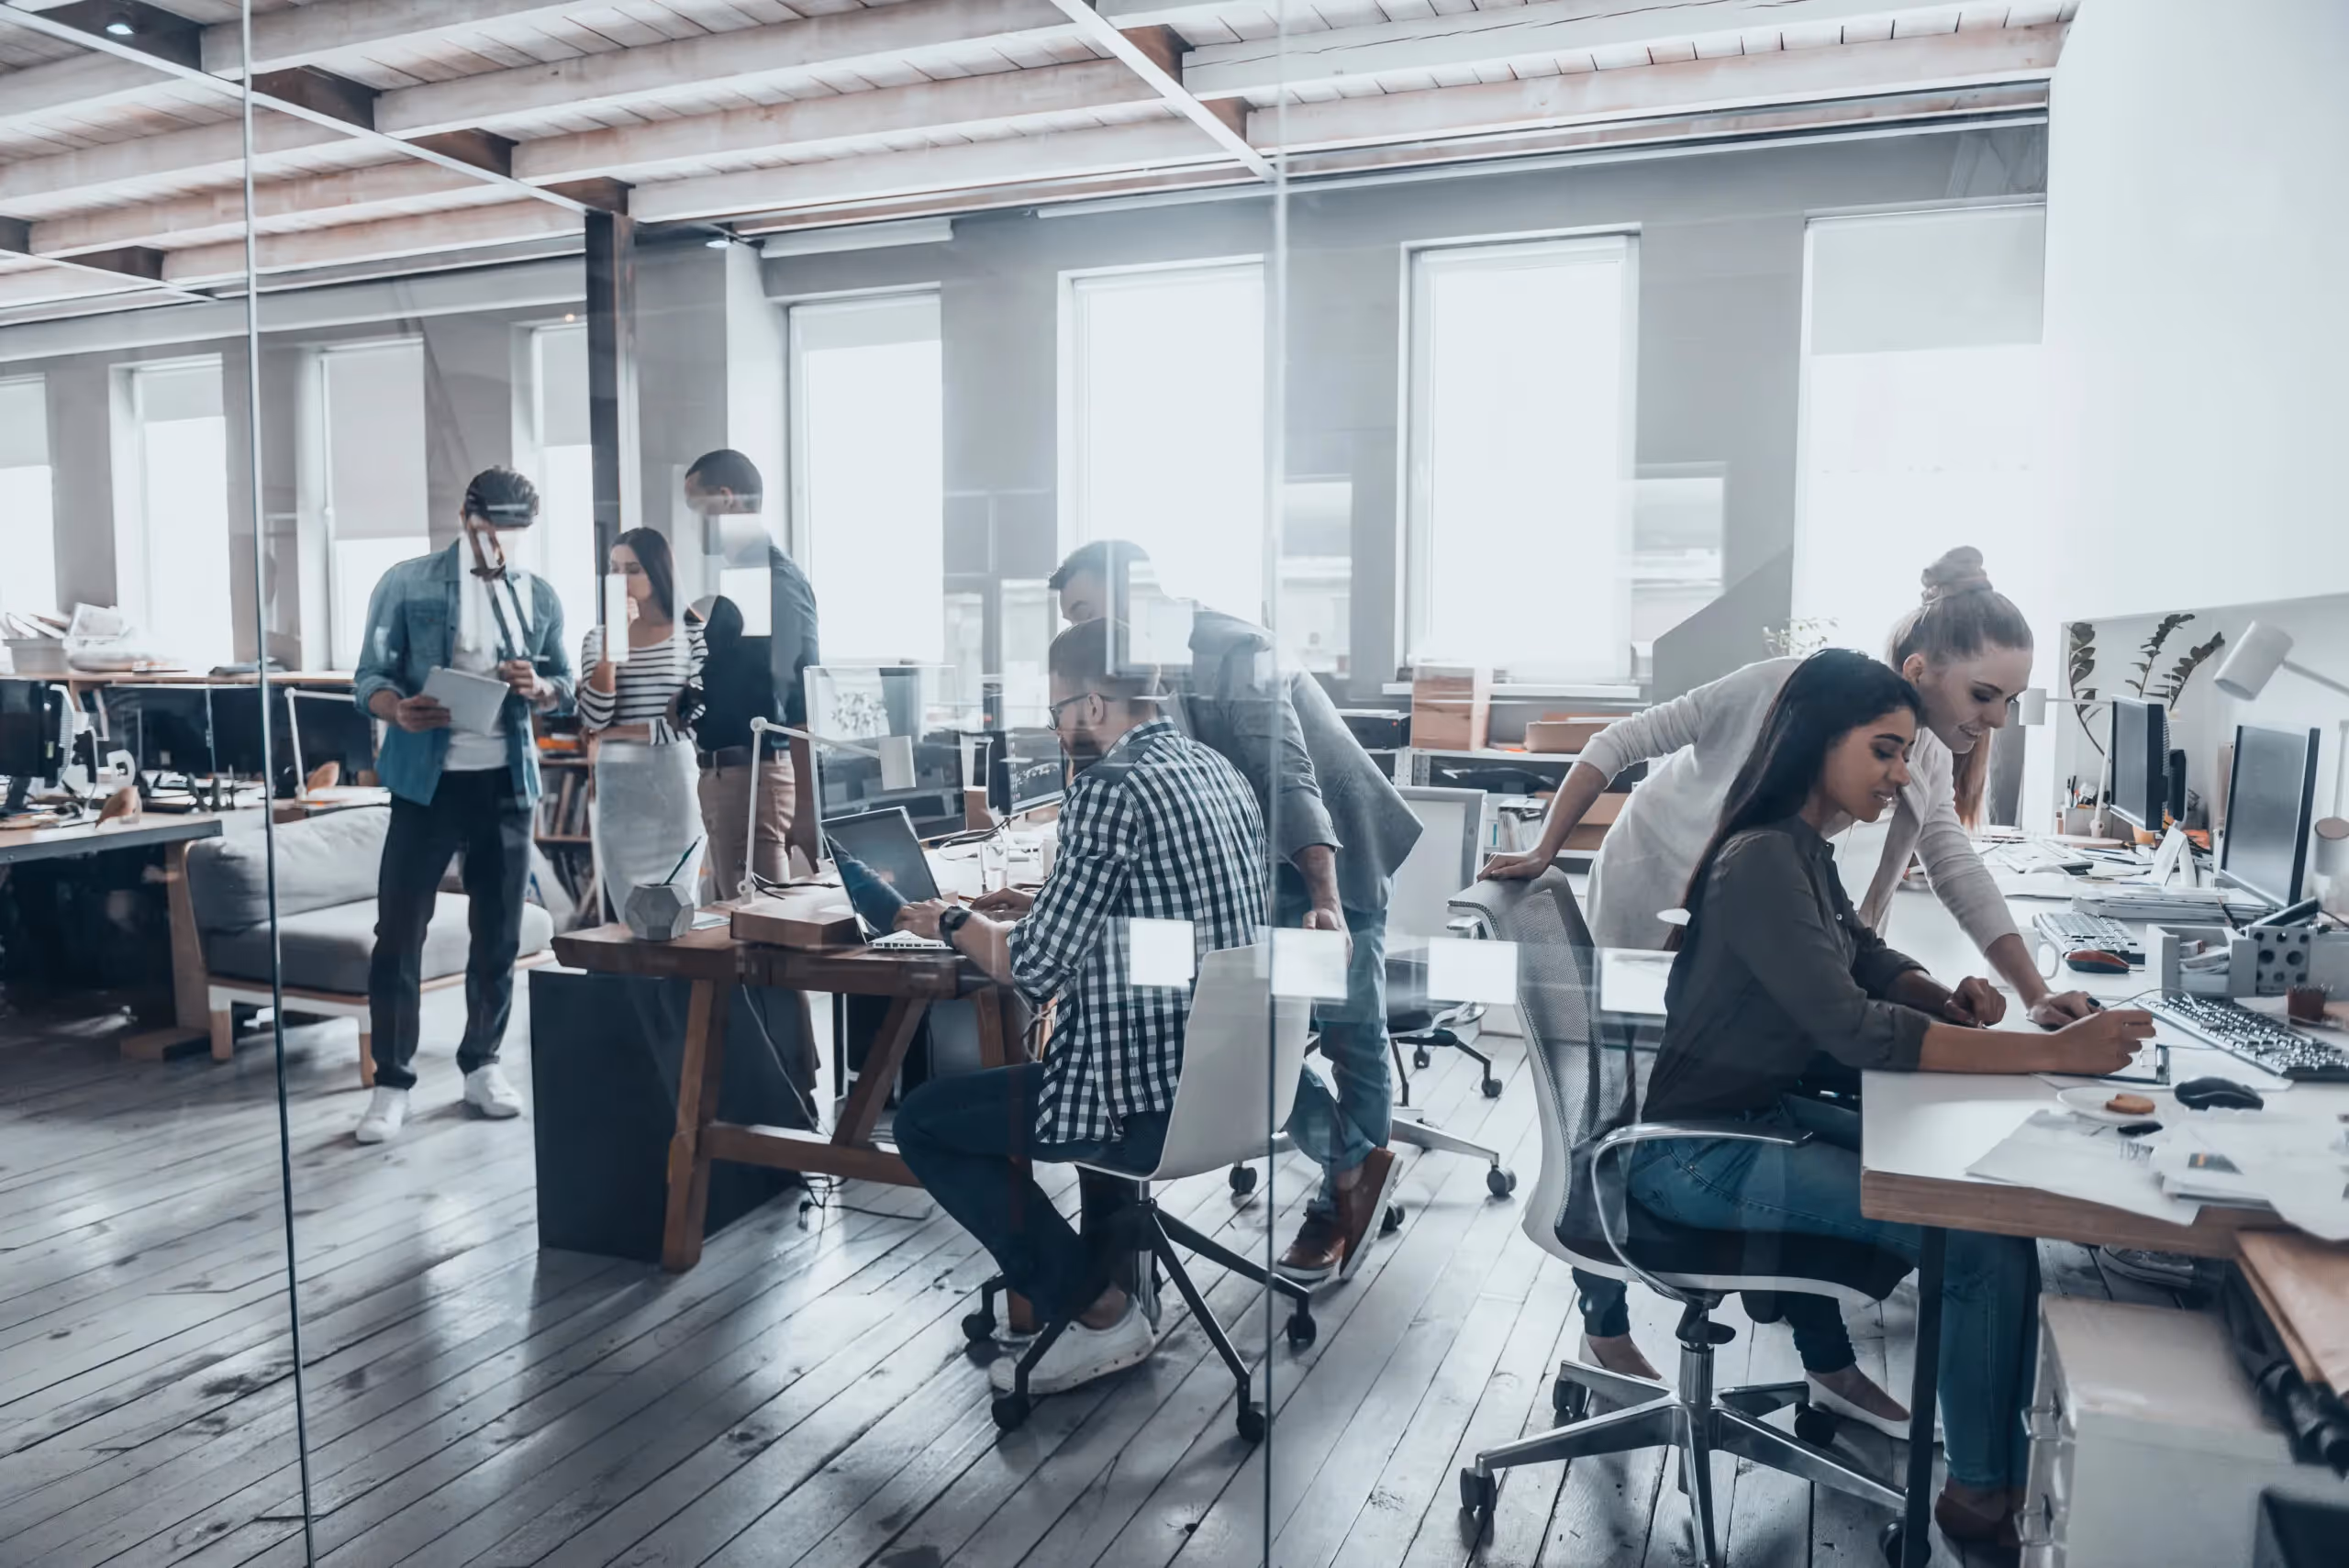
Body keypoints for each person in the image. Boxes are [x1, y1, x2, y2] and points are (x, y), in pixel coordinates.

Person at [1484, 547, 2096, 1387]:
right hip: (1654, 895)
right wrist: (1547, 849)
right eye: (1982, 695)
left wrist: (2031, 993)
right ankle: (1607, 1322)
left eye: (2009, 702)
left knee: (1779, 1097)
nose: (1993, 719)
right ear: (1921, 671)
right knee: (1621, 1110)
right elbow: (1624, 739)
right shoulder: (1792, 715)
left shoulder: (1887, 770)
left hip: (1755, 927)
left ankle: (1823, 1349)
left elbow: (1947, 868)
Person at [1626, 649, 2152, 1551]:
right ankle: (1980, 1492)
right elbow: (1853, 1029)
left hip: (1753, 1120)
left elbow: (1864, 959)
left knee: (1987, 1201)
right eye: (1882, 750)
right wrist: (2043, 1050)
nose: (1900, 774)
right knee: (1968, 1229)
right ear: (1812, 742)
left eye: (1903, 752)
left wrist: (1940, 994)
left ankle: (2000, 1467)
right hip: (1696, 1153)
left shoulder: (1797, 850)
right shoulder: (1759, 859)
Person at [889, 617, 1265, 1396]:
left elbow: (1033, 966)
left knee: (924, 1122)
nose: (1057, 728)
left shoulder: (1109, 788)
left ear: (1093, 704)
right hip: (1231, 1084)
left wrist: (953, 921)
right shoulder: (1217, 770)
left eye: (1058, 710)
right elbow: (1163, 918)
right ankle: (1101, 1286)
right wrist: (1041, 903)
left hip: (1147, 1100)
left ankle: (1095, 1307)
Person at [1042, 540, 1425, 1284]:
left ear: (1137, 594)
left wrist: (1325, 899)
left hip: (1332, 848)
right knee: (1232, 1025)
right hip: (1250, 858)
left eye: (1087, 611)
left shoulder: (1235, 649)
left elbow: (1289, 775)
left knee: (1348, 1029)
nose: (1081, 630)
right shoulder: (1129, 678)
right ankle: (1358, 1167)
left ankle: (1341, 1207)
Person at [351, 467, 573, 1145]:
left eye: (511, 537)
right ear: (463, 516)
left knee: (500, 931)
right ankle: (391, 1082)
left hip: (507, 780)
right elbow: (368, 676)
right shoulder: (406, 580)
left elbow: (563, 683)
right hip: (426, 781)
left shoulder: (537, 594)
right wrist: (397, 708)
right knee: (398, 933)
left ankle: (482, 1063)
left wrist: (539, 685)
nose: (497, 549)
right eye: (487, 533)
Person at [684, 450, 821, 885]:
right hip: (730, 777)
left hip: (754, 779)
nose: (693, 522)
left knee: (760, 930)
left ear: (726, 499)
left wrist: (807, 808)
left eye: (695, 505)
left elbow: (802, 692)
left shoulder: (774, 581)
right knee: (740, 923)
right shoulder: (741, 582)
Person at [578, 528, 706, 918]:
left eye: (633, 569)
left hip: (673, 783)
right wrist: (613, 647)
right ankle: (638, 982)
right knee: (629, 908)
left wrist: (619, 732)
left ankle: (680, 982)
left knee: (677, 905)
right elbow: (595, 716)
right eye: (614, 569)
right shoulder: (597, 639)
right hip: (619, 786)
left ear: (657, 571)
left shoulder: (694, 635)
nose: (622, 580)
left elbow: (695, 720)